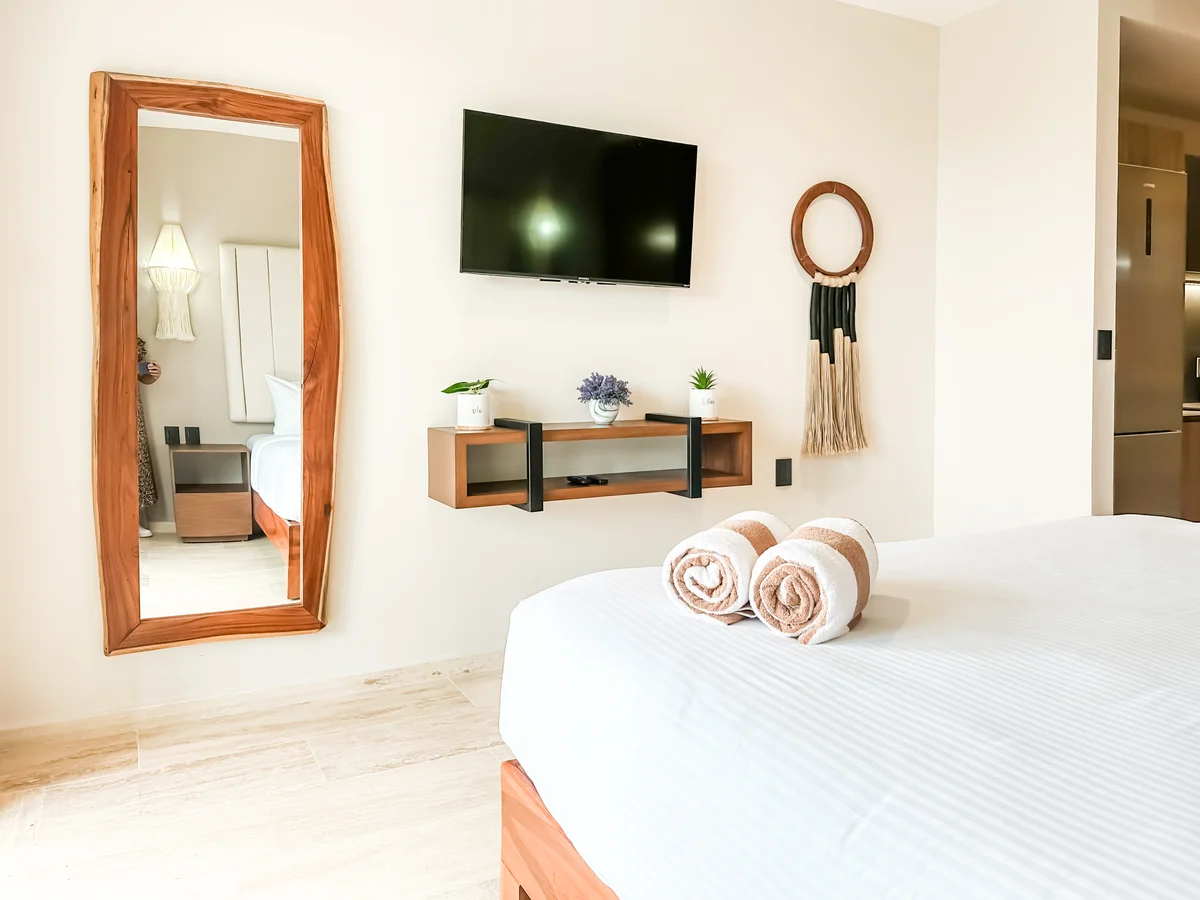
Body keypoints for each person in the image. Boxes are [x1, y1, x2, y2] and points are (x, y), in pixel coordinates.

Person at [137, 338, 161, 538]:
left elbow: (142, 376)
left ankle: (132, 520)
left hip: (129, 402)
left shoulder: (131, 338)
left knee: (135, 457)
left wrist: (152, 374)